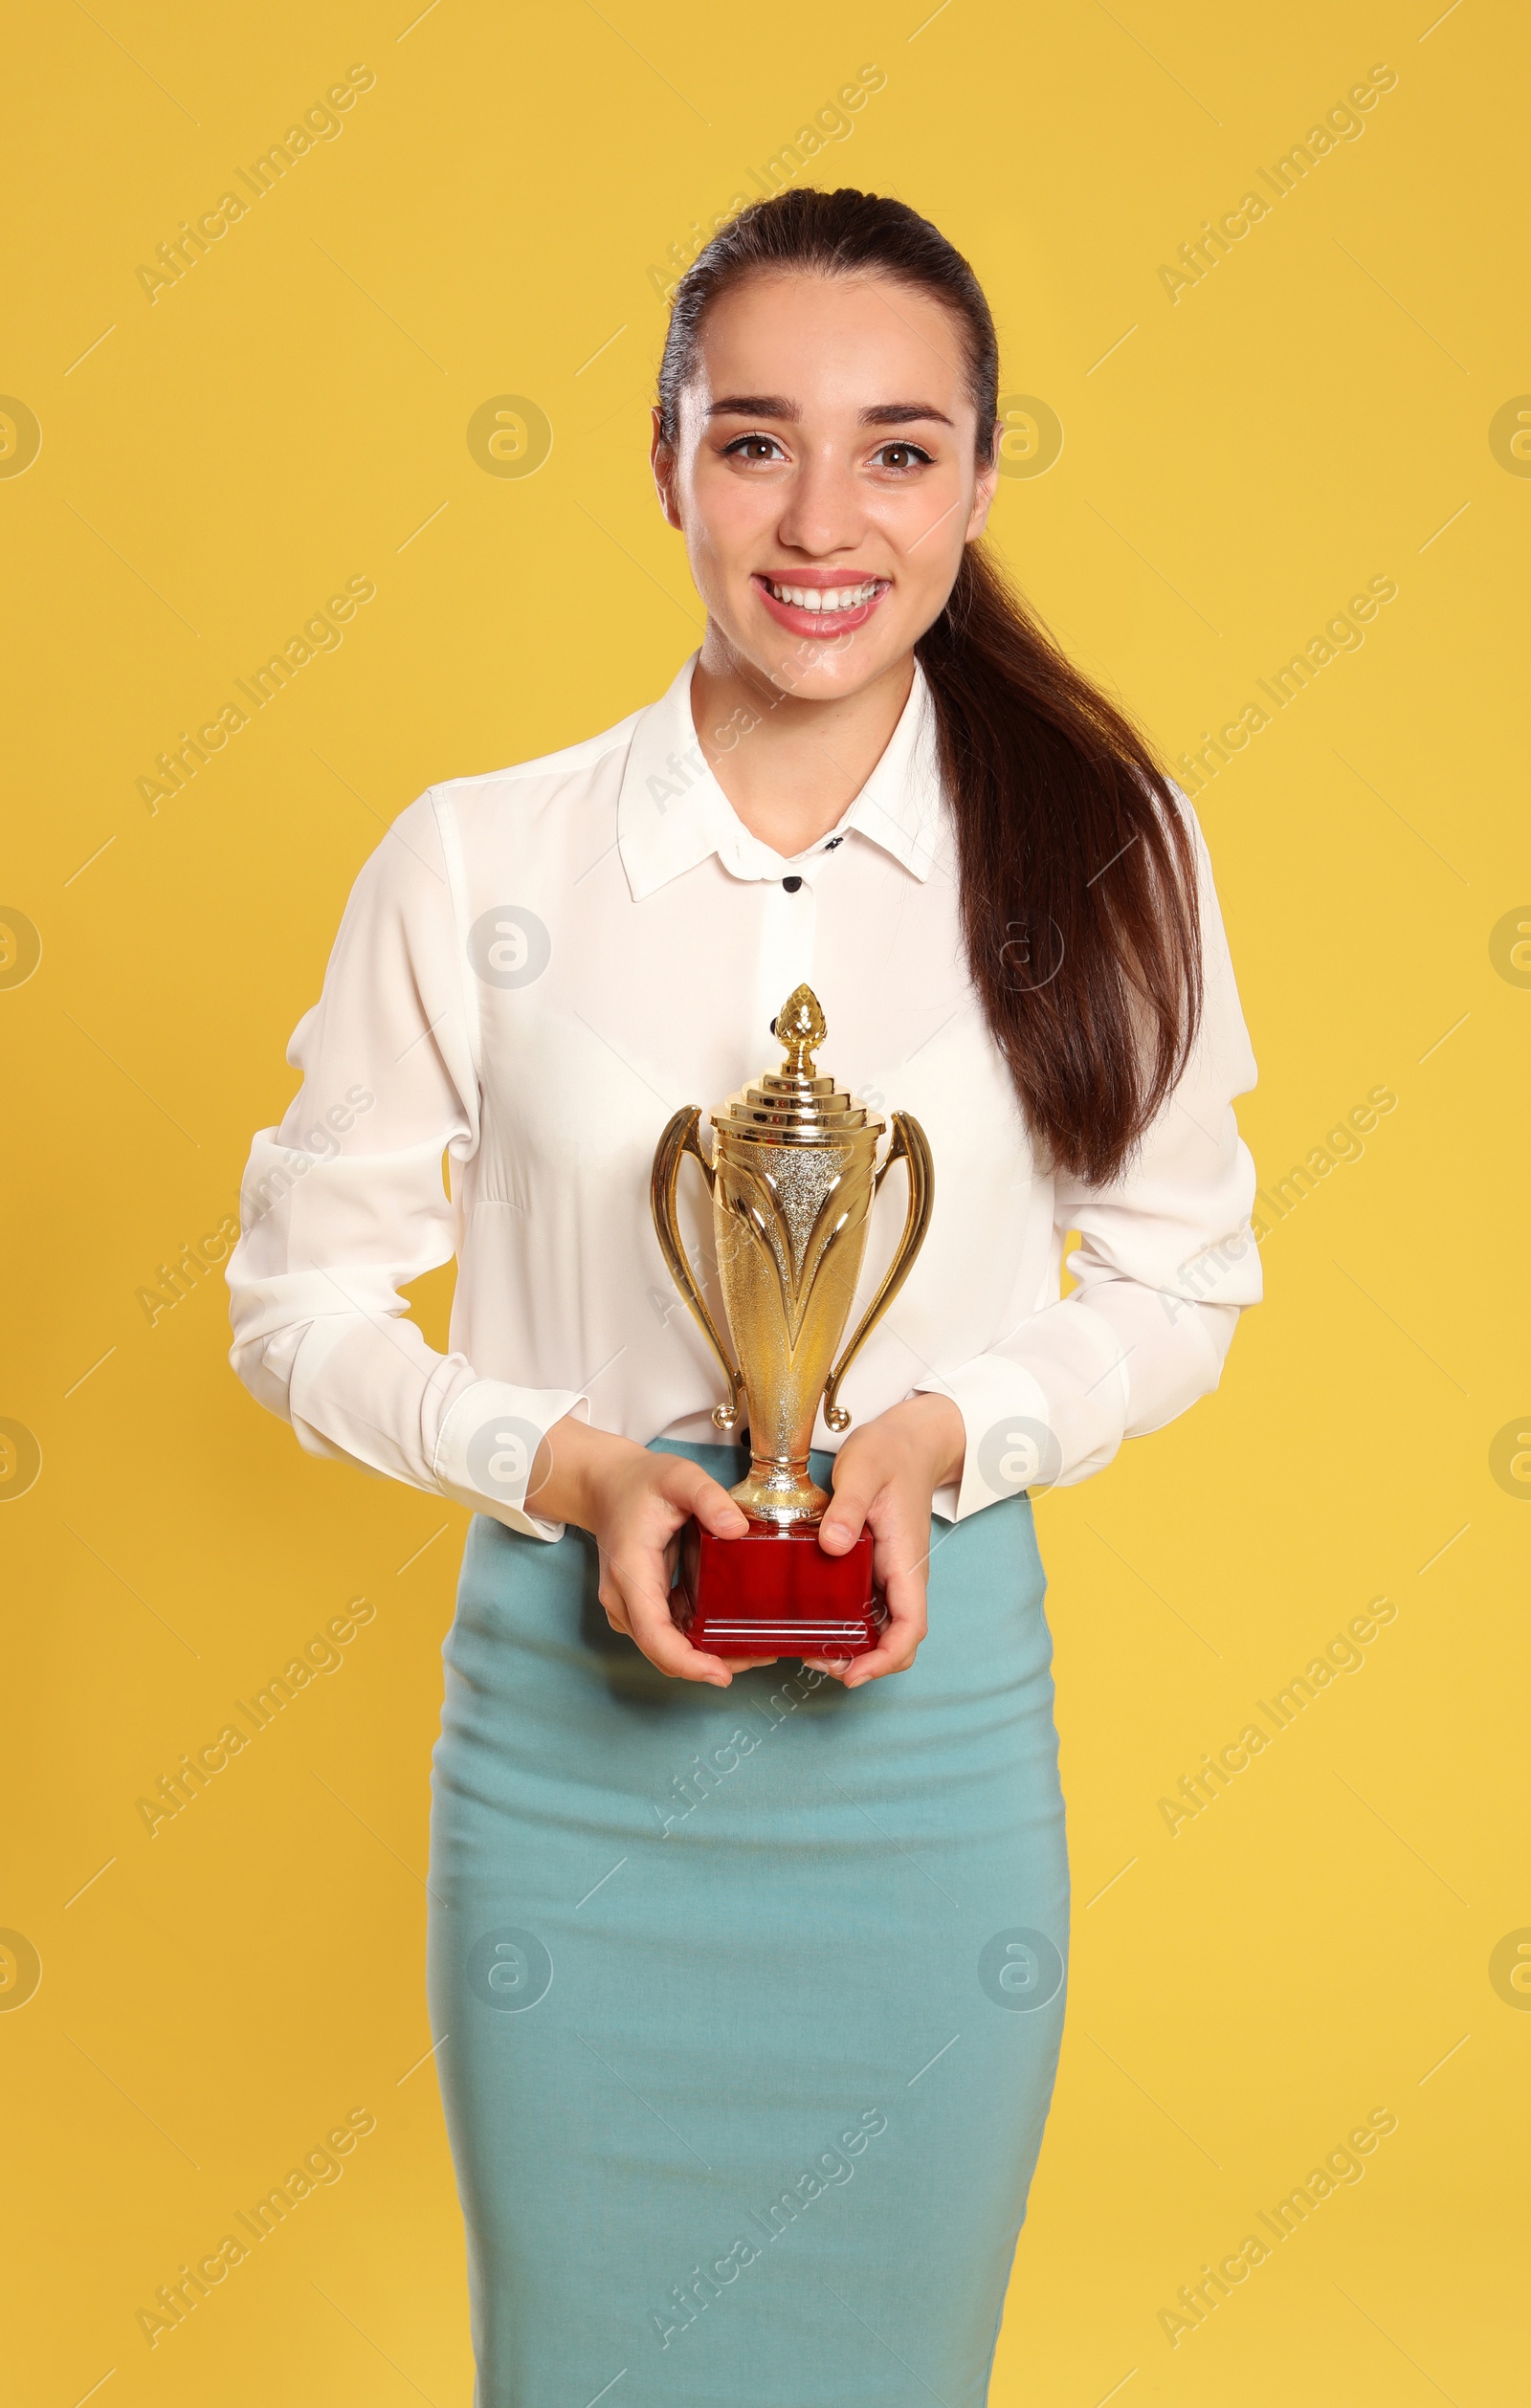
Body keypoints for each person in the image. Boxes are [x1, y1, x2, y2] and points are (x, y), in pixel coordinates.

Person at [228, 186, 1260, 2407]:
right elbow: (299, 1298)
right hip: (568, 1765)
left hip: (928, 1755)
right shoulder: (472, 863)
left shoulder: (1108, 848)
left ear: (977, 482)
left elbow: (1183, 1272)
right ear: (667, 459)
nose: (824, 515)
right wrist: (564, 1459)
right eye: (754, 438)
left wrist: (943, 1435)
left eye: (897, 448)